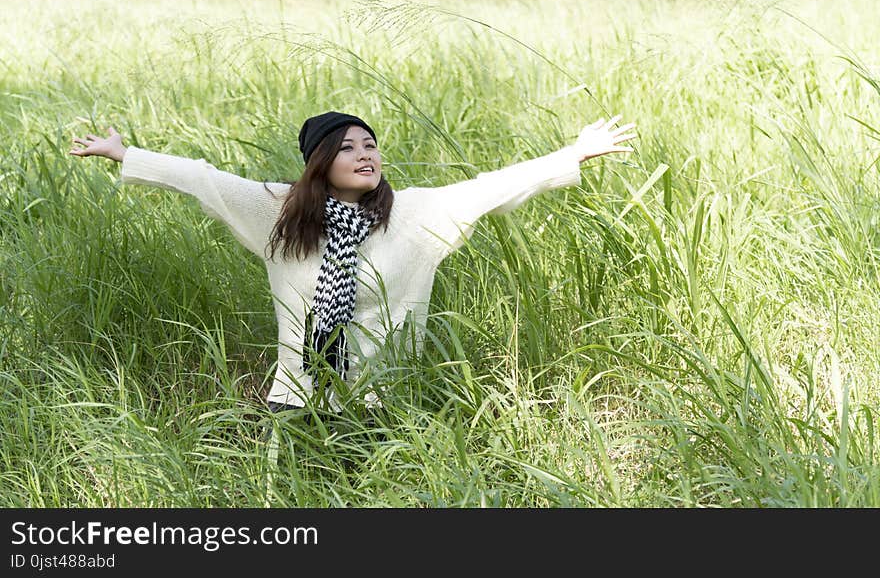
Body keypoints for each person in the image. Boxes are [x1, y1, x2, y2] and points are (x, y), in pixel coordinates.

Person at [69, 112, 635, 415]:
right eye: (347, 147)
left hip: (380, 403)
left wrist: (572, 153)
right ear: (320, 163)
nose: (366, 154)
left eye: (370, 144)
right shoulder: (280, 212)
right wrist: (127, 155)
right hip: (296, 395)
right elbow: (204, 178)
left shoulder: (412, 216)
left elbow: (488, 189)